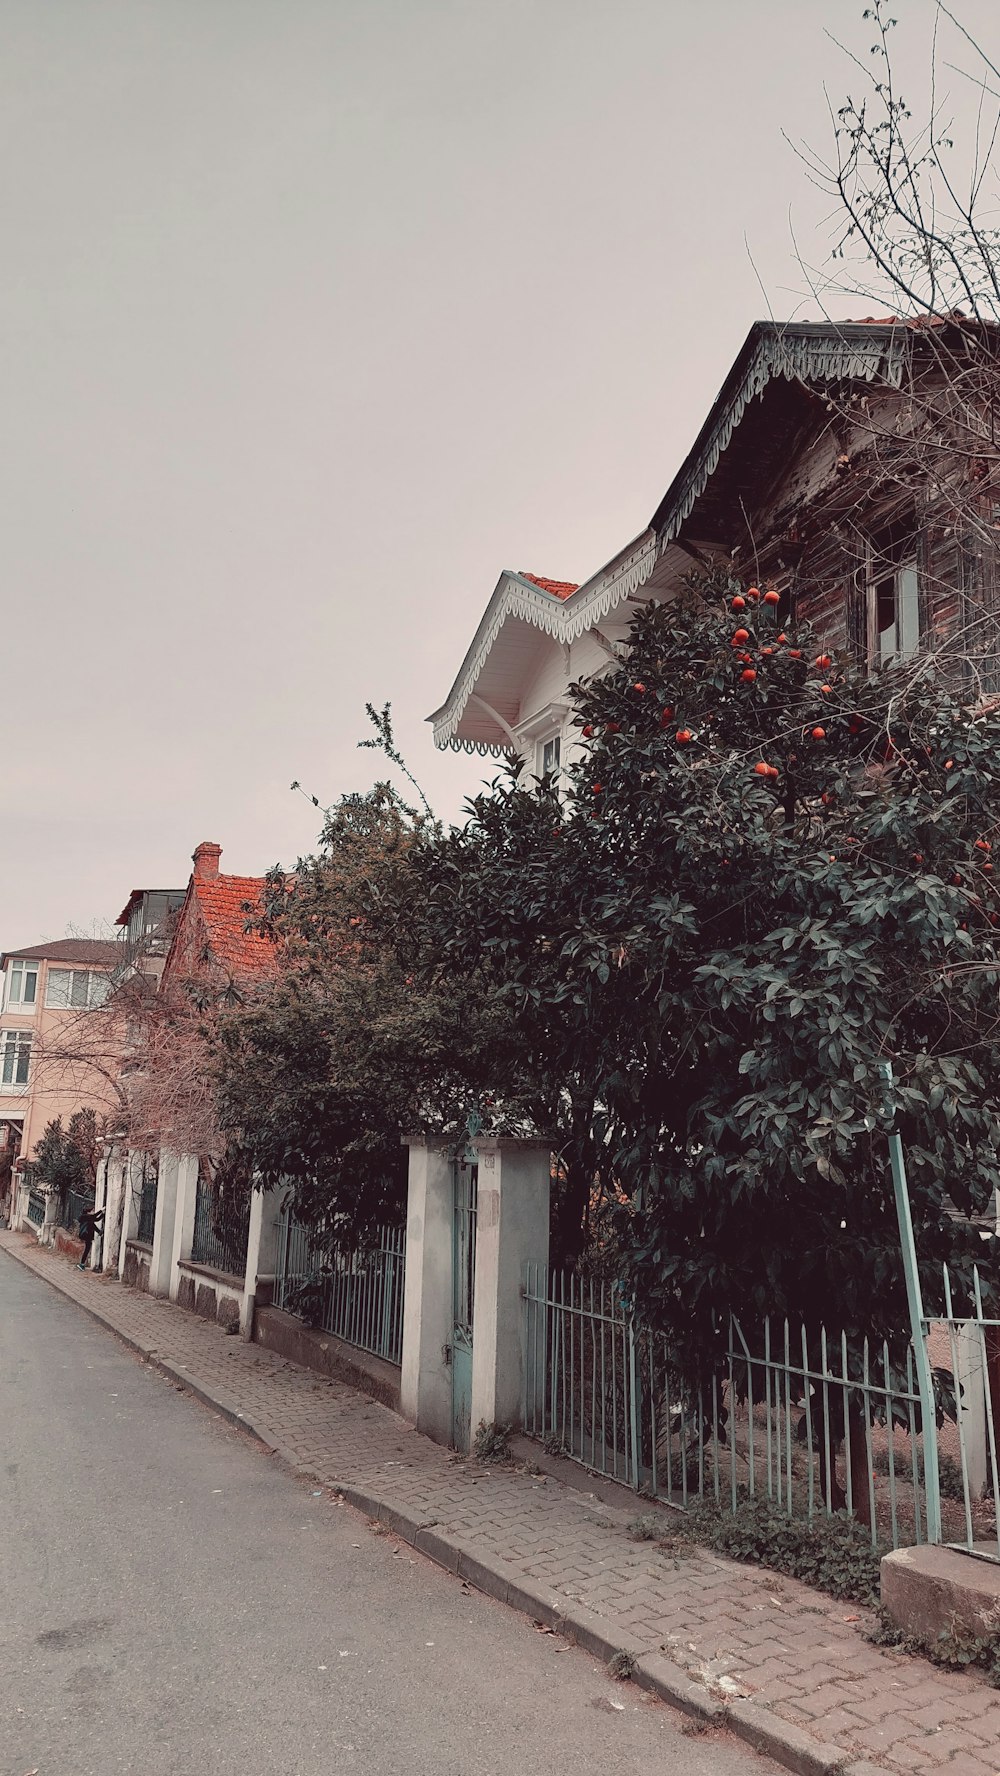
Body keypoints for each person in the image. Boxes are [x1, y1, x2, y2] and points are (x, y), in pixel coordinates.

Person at [77, 1205, 105, 1270]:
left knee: (87, 1249)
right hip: (86, 1235)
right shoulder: (84, 1216)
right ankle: (82, 1264)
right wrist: (101, 1210)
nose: (93, 1212)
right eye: (92, 1211)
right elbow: (94, 1216)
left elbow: (97, 1219)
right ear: (88, 1212)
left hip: (88, 1235)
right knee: (87, 1249)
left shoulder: (88, 1218)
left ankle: (82, 1264)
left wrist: (103, 1214)